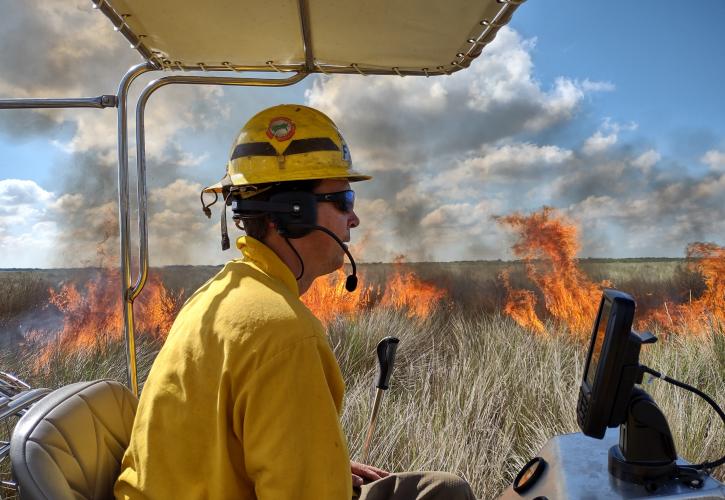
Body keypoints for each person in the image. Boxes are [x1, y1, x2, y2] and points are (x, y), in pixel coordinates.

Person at [114, 104, 474, 499]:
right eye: (343, 200)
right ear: (293, 213)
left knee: (439, 490)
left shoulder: (217, 295)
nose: (354, 219)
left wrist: (318, 462)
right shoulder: (284, 334)